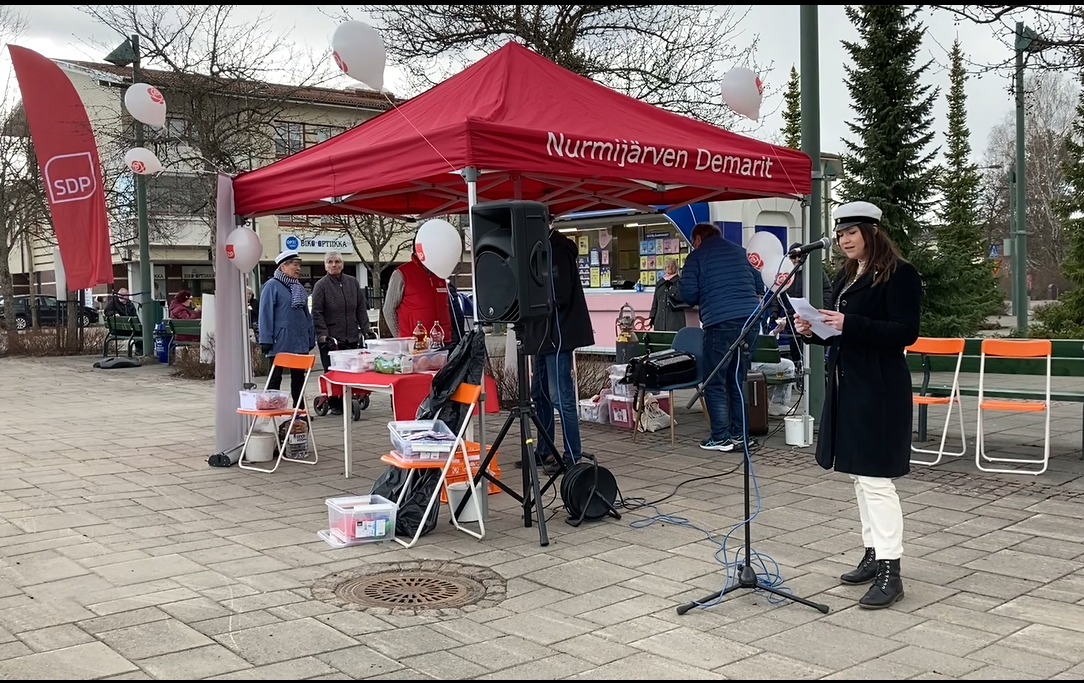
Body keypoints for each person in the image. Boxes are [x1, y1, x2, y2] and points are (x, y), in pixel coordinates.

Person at [792, 201, 921, 610]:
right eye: (840, 233)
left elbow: (905, 332)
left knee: (876, 480)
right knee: (859, 478)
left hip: (880, 389)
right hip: (849, 385)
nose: (844, 240)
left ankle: (891, 572)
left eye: (851, 232)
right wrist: (813, 330)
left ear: (872, 231)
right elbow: (841, 334)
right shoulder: (848, 274)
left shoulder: (900, 273)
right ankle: (873, 553)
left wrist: (850, 323)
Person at [679, 222, 764, 452]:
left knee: (714, 381)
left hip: (720, 322)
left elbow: (688, 294)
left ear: (698, 239)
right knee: (738, 378)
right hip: (750, 321)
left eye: (693, 242)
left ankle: (720, 437)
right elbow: (759, 284)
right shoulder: (742, 252)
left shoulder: (697, 257)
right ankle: (740, 434)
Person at [522, 224, 595, 470]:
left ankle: (572, 455)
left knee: (560, 397)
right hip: (542, 335)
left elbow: (559, 293)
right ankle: (545, 450)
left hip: (558, 333)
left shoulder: (557, 250)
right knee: (539, 394)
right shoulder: (538, 248)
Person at [311, 251, 369, 414]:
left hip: (351, 335)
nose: (334, 265)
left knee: (351, 370)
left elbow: (360, 309)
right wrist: (323, 334)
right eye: (330, 262)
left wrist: (366, 330)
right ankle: (335, 402)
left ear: (342, 265)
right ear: (325, 266)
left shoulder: (352, 283)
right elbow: (317, 312)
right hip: (331, 338)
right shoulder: (321, 286)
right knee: (333, 371)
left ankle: (350, 396)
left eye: (337, 262)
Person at [259, 250, 316, 408]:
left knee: (299, 377)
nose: (298, 268)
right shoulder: (272, 286)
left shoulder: (298, 287)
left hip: (299, 340)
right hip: (280, 340)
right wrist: (265, 338)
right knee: (275, 377)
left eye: (299, 265)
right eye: (294, 265)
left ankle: (299, 410)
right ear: (283, 266)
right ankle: (272, 408)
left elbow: (306, 315)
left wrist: (310, 336)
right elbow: (265, 314)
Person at [382, 245, 453, 341]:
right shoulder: (402, 274)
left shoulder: (440, 274)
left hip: (443, 340)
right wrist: (401, 338)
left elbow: (447, 307)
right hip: (415, 342)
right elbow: (388, 309)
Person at [648, 258, 687, 332]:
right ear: (664, 268)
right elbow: (655, 301)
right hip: (660, 319)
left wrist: (671, 288)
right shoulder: (660, 282)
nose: (670, 268)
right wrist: (652, 316)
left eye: (672, 266)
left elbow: (682, 297)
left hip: (675, 319)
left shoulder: (680, 281)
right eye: (668, 266)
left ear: (676, 268)